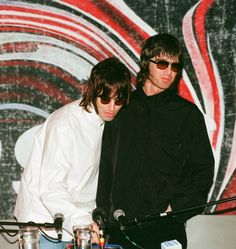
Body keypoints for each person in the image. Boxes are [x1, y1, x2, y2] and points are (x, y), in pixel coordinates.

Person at [96, 33, 215, 249]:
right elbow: (105, 166)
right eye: (162, 63)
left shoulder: (187, 114)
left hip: (166, 227)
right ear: (146, 63)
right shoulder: (123, 108)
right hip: (121, 227)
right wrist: (103, 213)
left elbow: (203, 170)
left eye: (175, 66)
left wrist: (177, 207)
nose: (169, 72)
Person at [14, 57, 132, 249]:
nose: (112, 108)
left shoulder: (108, 123)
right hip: (45, 225)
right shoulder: (64, 124)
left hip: (79, 222)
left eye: (118, 101)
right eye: (105, 99)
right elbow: (51, 188)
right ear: (93, 92)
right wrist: (82, 222)